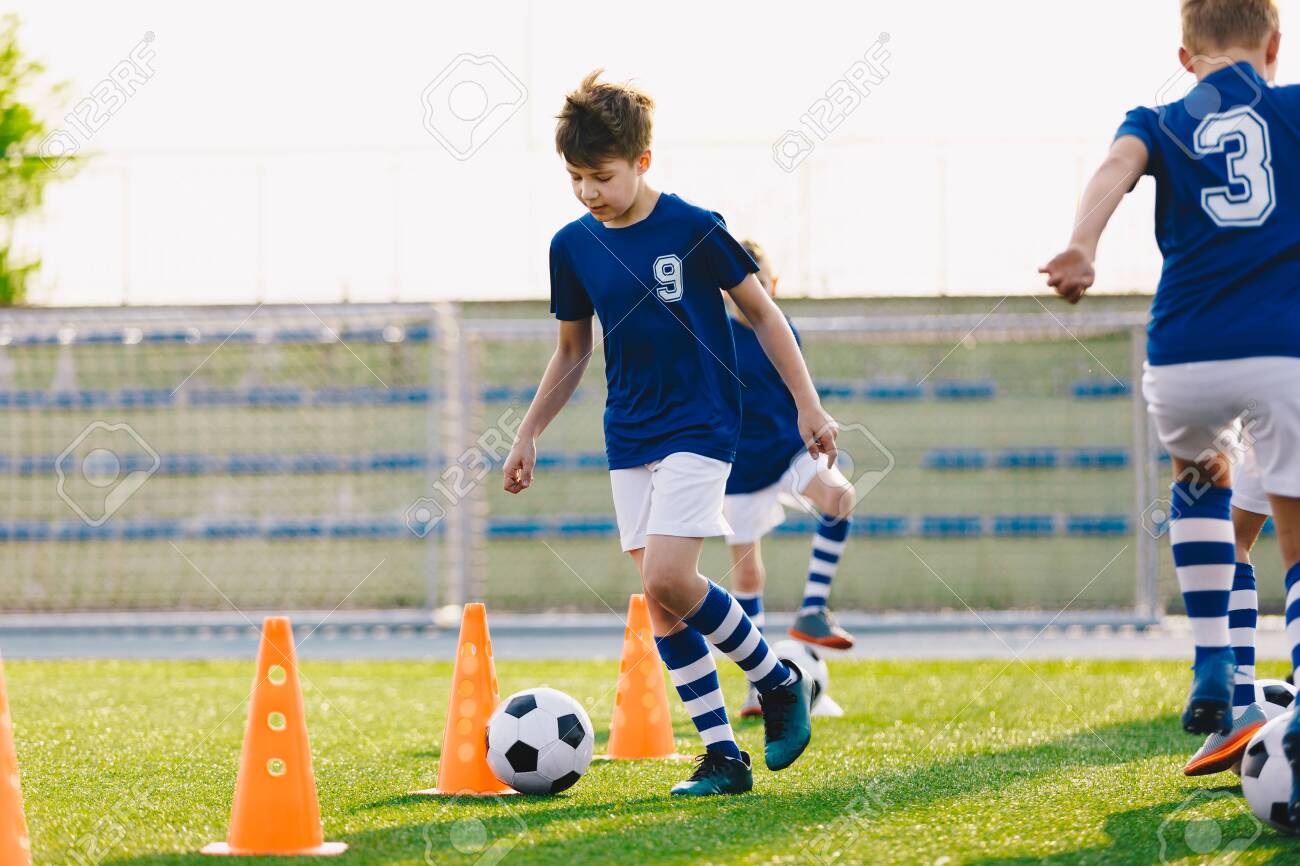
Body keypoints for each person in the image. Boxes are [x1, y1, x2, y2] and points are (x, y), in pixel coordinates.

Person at [503, 69, 839, 796]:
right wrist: (529, 431)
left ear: (642, 162)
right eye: (575, 178)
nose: (589, 192)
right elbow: (571, 350)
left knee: (667, 577)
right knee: (660, 600)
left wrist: (809, 406)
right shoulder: (572, 246)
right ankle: (723, 756)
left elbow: (764, 314)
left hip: (702, 422)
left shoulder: (693, 227)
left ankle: (776, 680)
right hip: (628, 433)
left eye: (602, 175)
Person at [1040, 0, 1300, 819]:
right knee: (1295, 532)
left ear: (1185, 56)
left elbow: (1114, 169)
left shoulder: (1157, 115)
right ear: (1274, 44)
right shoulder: (1293, 107)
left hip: (1182, 351)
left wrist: (1082, 244)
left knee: (1200, 478)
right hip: (1281, 347)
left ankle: (1214, 664)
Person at [720, 239, 857, 719]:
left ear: (772, 285)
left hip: (787, 451)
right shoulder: (715, 338)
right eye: (738, 285)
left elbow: (797, 391)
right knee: (748, 574)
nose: (749, 291)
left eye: (758, 280)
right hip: (738, 467)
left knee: (840, 497)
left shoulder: (781, 329)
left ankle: (813, 609)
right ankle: (758, 685)